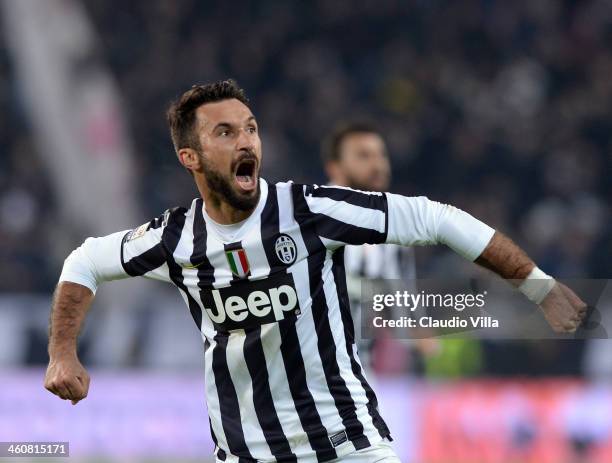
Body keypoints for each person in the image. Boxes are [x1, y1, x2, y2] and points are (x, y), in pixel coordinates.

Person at [44, 79, 587, 463]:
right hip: (247, 454)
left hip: (349, 445)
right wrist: (62, 351)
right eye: (226, 132)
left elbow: (435, 219)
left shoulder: (310, 210)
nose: (247, 141)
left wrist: (538, 285)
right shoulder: (174, 239)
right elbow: (85, 261)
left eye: (251, 129)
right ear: (191, 157)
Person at [321, 122, 418, 374]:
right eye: (364, 155)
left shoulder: (395, 233)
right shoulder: (308, 218)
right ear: (334, 167)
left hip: (359, 374)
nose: (378, 164)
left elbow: (404, 315)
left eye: (381, 155)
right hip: (303, 374)